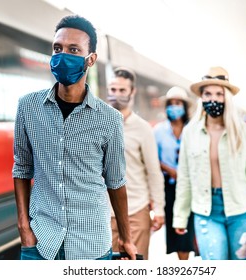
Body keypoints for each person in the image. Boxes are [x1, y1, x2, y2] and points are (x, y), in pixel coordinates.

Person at [12, 14, 137, 260]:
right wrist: (24, 227)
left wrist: (125, 238)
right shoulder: (28, 106)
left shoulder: (110, 118)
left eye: (73, 49)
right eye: (57, 48)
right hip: (41, 243)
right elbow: (22, 168)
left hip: (91, 244)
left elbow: (116, 181)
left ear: (90, 59)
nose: (62, 56)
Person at [172, 66, 246, 260]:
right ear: (201, 98)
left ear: (227, 99)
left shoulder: (243, 132)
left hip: (242, 212)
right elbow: (185, 177)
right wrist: (180, 216)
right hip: (207, 212)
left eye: (219, 94)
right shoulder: (190, 132)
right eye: (207, 94)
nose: (213, 99)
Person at [107, 66, 165, 260]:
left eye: (122, 90)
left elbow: (153, 171)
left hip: (136, 211)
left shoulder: (143, 129)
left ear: (132, 92)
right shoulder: (98, 124)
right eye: (113, 89)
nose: (117, 95)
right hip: (104, 212)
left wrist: (159, 208)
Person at [153, 86, 197, 260]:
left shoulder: (193, 129)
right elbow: (151, 159)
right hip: (169, 189)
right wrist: (169, 170)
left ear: (185, 106)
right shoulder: (158, 131)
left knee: (190, 229)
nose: (174, 107)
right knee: (176, 230)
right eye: (171, 104)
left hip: (191, 187)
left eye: (178, 103)